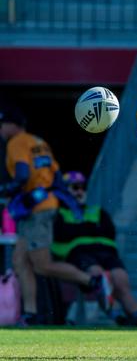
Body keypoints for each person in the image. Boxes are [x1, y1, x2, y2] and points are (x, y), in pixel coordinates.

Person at [0, 106, 110, 326]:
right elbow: (56, 176)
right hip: (44, 205)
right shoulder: (39, 142)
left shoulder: (16, 142)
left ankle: (92, 280)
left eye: (2, 124)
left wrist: (6, 190)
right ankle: (30, 314)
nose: (1, 129)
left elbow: (22, 175)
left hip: (36, 211)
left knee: (42, 265)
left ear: (13, 125)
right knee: (20, 262)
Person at [51, 171, 137, 327]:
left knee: (120, 278)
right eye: (74, 188)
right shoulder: (59, 213)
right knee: (99, 276)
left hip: (105, 252)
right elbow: (62, 237)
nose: (79, 191)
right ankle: (116, 314)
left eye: (82, 187)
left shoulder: (97, 211)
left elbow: (109, 232)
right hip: (80, 254)